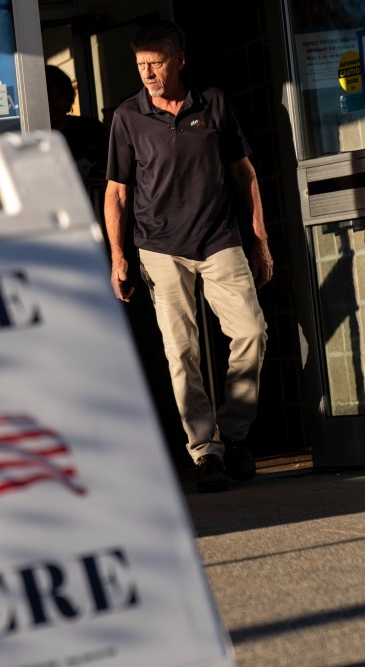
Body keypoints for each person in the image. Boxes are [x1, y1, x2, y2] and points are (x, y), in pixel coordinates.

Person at [105, 20, 272, 492]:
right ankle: (206, 451)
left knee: (251, 333)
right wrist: (118, 256)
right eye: (141, 65)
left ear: (179, 60)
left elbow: (246, 175)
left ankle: (235, 434)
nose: (148, 73)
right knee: (182, 352)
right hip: (159, 248)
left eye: (156, 63)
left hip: (220, 239)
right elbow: (117, 194)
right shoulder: (128, 117)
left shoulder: (213, 103)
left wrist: (259, 240)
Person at [45, 65, 108, 202]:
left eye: (60, 96)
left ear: (68, 97)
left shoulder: (92, 129)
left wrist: (112, 183)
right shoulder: (35, 139)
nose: (55, 104)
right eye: (49, 98)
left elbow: (121, 169)